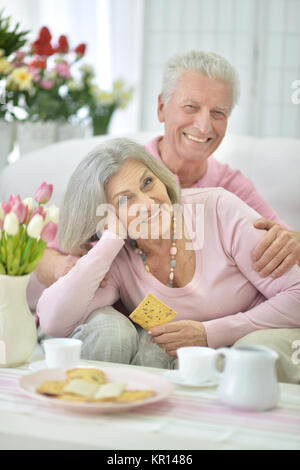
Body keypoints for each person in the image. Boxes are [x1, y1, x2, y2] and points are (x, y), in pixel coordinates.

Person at [34, 50, 300, 292]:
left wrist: (290, 242)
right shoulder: (117, 170)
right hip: (118, 313)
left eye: (218, 113)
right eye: (191, 107)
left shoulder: (231, 186)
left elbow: (285, 237)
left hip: (195, 323)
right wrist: (63, 269)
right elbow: (45, 253)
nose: (204, 126)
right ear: (161, 108)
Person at [37, 139, 300, 382]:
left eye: (147, 182)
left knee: (246, 357)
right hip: (193, 363)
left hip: (268, 330)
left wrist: (209, 333)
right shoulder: (118, 256)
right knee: (152, 350)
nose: (148, 203)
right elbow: (53, 321)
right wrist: (109, 241)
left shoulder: (218, 208)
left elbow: (296, 294)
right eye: (126, 199)